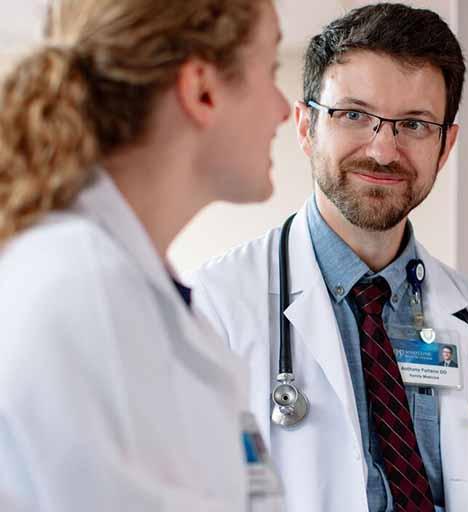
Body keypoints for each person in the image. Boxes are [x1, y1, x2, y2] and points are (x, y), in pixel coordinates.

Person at [189, 4, 468, 511]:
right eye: (354, 115)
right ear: (306, 126)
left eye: (414, 124)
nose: (383, 150)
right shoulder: (215, 307)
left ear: (446, 146)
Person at [0, 0, 290, 510]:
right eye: (270, 70)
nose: (283, 109)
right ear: (202, 89)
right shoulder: (81, 291)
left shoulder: (122, 285)